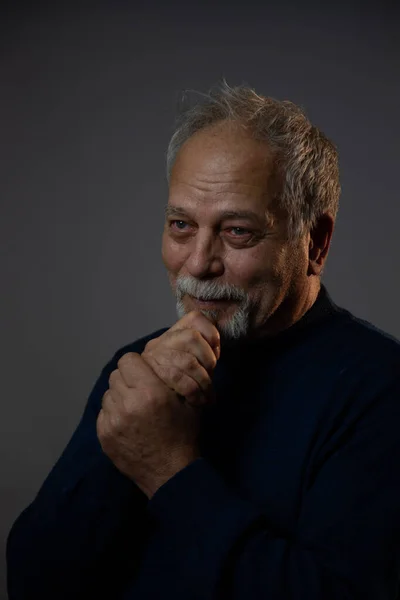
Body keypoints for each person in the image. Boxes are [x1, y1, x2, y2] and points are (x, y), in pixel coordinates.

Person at [7, 81, 400, 600]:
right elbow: (35, 581)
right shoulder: (140, 369)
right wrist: (120, 442)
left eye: (237, 231)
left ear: (316, 242)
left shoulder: (381, 391)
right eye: (181, 225)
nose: (198, 264)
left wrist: (167, 468)